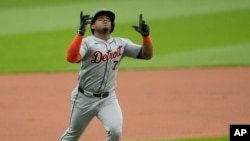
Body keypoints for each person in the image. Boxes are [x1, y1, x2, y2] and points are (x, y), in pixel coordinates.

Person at [60, 8, 153, 141]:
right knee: (73, 135)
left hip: (108, 99)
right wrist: (79, 33)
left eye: (108, 19)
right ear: (92, 25)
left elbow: (146, 55)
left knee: (115, 131)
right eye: (100, 18)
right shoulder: (87, 43)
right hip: (84, 98)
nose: (105, 20)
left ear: (112, 25)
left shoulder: (121, 43)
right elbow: (71, 57)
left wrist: (146, 37)